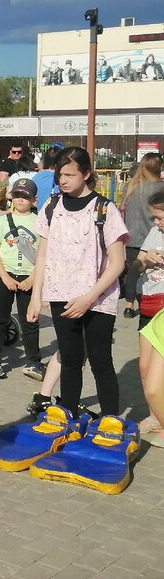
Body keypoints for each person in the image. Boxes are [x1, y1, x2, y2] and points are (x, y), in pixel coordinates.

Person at [28, 146, 128, 418]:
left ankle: (110, 420)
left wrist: (88, 298)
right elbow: (43, 254)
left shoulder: (104, 209)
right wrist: (37, 296)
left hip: (97, 298)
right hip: (62, 294)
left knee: (100, 362)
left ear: (86, 174)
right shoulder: (51, 207)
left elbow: (117, 263)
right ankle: (68, 415)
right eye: (61, 174)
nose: (63, 180)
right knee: (70, 361)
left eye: (70, 175)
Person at [0, 178, 43, 380]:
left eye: (25, 196)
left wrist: (33, 279)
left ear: (34, 199)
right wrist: (5, 277)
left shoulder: (40, 223)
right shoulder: (1, 222)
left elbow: (45, 254)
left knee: (30, 322)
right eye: (17, 195)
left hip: (29, 277)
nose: (20, 199)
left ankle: (34, 361)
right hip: (4, 276)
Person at [131, 190, 164, 446]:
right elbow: (136, 264)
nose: (156, 223)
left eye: (160, 217)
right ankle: (154, 414)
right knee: (144, 367)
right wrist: (145, 260)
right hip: (148, 304)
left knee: (158, 373)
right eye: (154, 218)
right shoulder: (156, 233)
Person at [121, 152, 162, 316]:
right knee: (153, 273)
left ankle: (129, 306)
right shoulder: (160, 187)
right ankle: (148, 302)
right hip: (153, 236)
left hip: (132, 237)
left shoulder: (130, 186)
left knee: (133, 272)